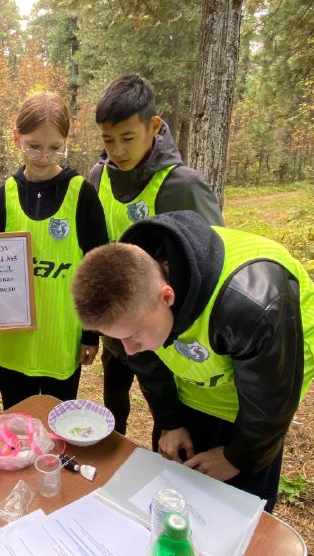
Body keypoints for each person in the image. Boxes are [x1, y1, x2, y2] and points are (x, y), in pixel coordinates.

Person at [72, 210, 314, 512]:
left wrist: (237, 457)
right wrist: (169, 422)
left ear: (168, 297)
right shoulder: (127, 300)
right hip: (197, 378)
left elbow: (272, 400)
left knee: (239, 507)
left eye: (134, 336)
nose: (129, 350)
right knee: (173, 486)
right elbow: (146, 364)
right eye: (118, 338)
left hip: (258, 393)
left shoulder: (252, 304)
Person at [89, 74, 223, 436]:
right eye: (108, 139)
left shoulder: (182, 186)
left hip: (163, 329)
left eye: (128, 138)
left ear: (154, 127)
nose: (117, 150)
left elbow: (213, 261)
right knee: (114, 398)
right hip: (117, 328)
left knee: (170, 421)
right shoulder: (97, 179)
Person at [0, 92, 109, 408]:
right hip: (12, 344)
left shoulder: (80, 194)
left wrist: (90, 334)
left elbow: (97, 271)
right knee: (21, 425)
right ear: (18, 138)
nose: (44, 156)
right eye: (34, 146)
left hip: (59, 340)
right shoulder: (4, 195)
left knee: (58, 425)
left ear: (65, 142)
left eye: (55, 147)